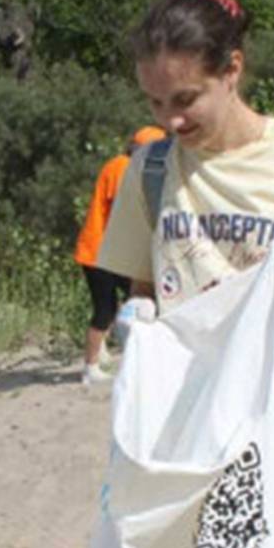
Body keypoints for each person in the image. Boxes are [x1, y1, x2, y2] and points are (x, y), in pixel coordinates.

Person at [96, 0, 274, 426]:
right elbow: (145, 290)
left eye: (186, 99)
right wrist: (137, 319)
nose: (171, 120)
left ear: (231, 70)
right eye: (155, 102)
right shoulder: (149, 171)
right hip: (191, 414)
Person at [74, 125, 166, 386]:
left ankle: (104, 354)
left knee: (131, 301)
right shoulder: (122, 166)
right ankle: (90, 367)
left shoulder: (120, 164)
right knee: (107, 309)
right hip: (100, 252)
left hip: (106, 250)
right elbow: (123, 208)